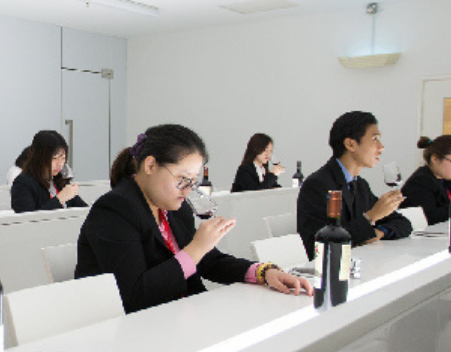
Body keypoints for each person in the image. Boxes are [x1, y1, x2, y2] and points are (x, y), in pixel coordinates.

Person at [76, 124, 312, 313]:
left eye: (193, 181)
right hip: (137, 330)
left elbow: (208, 261)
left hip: (178, 315)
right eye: (182, 178)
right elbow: (136, 295)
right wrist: (196, 248)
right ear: (150, 165)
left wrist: (263, 272)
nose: (188, 189)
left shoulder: (175, 207)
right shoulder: (115, 209)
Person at [297, 111, 412, 258]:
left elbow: (403, 223)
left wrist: (378, 232)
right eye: (375, 139)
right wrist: (371, 217)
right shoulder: (318, 185)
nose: (381, 147)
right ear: (350, 144)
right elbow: (319, 246)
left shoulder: (360, 185)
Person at [11, 130, 88, 212]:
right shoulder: (23, 184)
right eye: (54, 158)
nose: (60, 164)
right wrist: (60, 199)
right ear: (40, 157)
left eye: (63, 158)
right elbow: (28, 220)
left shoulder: (60, 180)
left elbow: (84, 211)